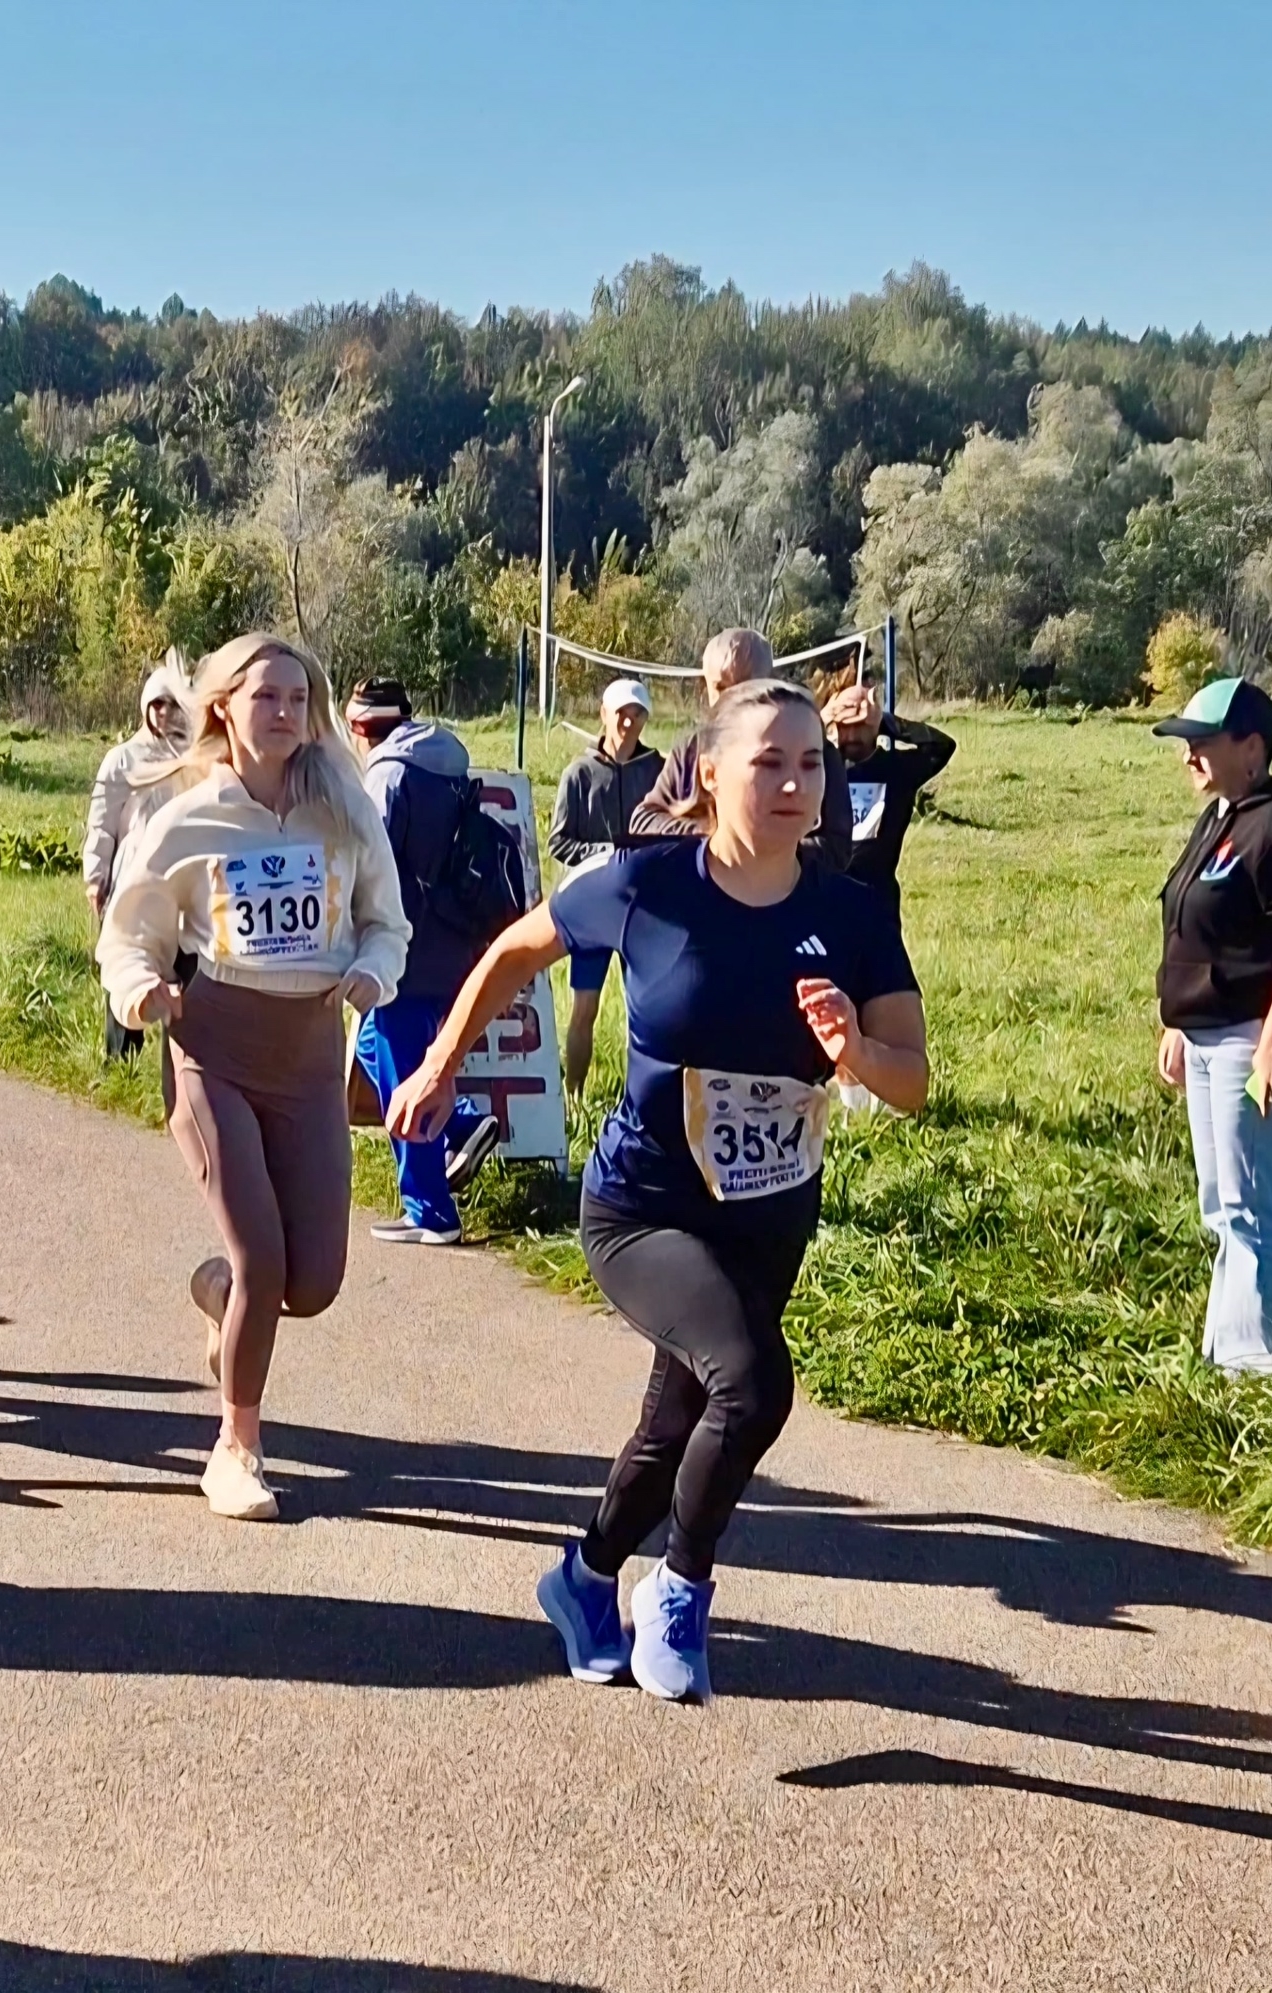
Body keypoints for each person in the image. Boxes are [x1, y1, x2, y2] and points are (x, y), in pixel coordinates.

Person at [390, 679, 927, 1702]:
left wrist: (855, 1049)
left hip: (770, 1208)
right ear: (711, 772)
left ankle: (582, 1576)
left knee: (677, 1421)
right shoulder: (647, 885)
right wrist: (440, 1065)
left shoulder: (848, 915)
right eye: (766, 761)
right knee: (755, 1385)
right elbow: (513, 949)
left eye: (810, 763)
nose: (791, 782)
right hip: (642, 1208)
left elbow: (912, 1078)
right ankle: (678, 1589)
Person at [98, 633, 410, 1520]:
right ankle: (236, 1449)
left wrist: (373, 973)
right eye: (263, 696)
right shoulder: (185, 817)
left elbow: (387, 921)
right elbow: (130, 934)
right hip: (215, 1050)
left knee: (311, 1281)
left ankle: (220, 1293)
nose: (282, 713)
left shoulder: (343, 809)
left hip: (310, 1056)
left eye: (296, 698)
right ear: (222, 707)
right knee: (264, 1258)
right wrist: (139, 991)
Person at [1151, 677, 1272, 1376]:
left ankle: (1267, 1362)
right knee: (1221, 1201)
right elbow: (1191, 926)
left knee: (1253, 1202)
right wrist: (1177, 1022)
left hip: (1253, 1038)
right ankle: (1230, 1350)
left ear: (1251, 747)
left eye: (1201, 742)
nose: (1188, 756)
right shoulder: (1225, 815)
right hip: (1209, 1035)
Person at [346, 676, 512, 1244]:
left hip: (404, 952)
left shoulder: (389, 775)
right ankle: (460, 1122)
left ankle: (431, 1212)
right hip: (454, 944)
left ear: (362, 728)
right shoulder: (448, 766)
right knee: (376, 1047)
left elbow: (372, 865)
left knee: (402, 1068)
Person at [628, 628, 853, 870]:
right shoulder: (692, 750)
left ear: (770, 682)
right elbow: (643, 821)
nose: (732, 699)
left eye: (745, 687)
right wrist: (715, 837)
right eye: (721, 688)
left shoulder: (812, 749)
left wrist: (772, 851)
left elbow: (836, 848)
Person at [550, 677, 667, 1097]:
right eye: (621, 713)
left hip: (645, 910)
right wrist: (610, 854)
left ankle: (645, 1097)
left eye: (637, 715)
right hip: (592, 910)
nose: (629, 722)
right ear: (603, 714)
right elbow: (558, 841)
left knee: (651, 1012)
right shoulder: (578, 773)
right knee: (585, 1009)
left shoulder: (658, 770)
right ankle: (575, 1096)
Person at [83, 651, 192, 1061]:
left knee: (187, 972)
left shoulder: (195, 758)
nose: (164, 713)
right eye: (157, 704)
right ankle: (121, 1058)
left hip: (183, 884)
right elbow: (101, 823)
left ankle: (186, 1062)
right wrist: (96, 877)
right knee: (129, 968)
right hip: (133, 881)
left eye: (173, 703)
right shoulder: (123, 759)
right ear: (146, 708)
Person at [821, 681, 956, 917]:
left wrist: (886, 721)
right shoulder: (820, 770)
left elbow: (941, 746)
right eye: (844, 725)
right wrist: (817, 722)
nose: (852, 735)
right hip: (825, 899)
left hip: (877, 901)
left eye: (861, 725)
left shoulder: (895, 769)